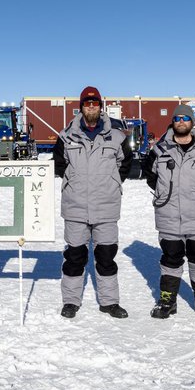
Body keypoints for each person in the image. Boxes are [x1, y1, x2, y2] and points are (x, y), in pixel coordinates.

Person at [53, 86, 133, 319]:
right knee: (75, 256)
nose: (91, 107)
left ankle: (109, 302)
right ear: (81, 107)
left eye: (95, 103)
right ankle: (70, 301)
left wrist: (111, 182)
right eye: (87, 104)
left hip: (106, 207)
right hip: (75, 206)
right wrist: (75, 181)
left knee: (106, 256)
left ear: (101, 107)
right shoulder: (66, 136)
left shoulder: (117, 137)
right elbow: (60, 166)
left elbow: (125, 165)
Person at [142, 104, 195, 321]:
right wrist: (164, 192)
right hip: (169, 213)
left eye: (186, 118)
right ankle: (168, 300)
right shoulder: (159, 149)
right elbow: (150, 175)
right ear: (173, 122)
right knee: (171, 258)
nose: (181, 122)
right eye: (177, 119)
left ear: (192, 122)